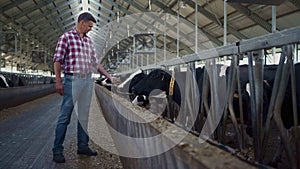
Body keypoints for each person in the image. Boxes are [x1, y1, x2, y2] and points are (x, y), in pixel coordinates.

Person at [52, 12, 113, 163]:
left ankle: (83, 146)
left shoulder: (89, 42)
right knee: (65, 116)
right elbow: (57, 60)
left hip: (87, 81)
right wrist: (58, 81)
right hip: (72, 80)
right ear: (82, 22)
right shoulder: (66, 37)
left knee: (84, 116)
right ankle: (57, 150)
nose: (91, 29)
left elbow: (95, 63)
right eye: (90, 26)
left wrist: (109, 76)